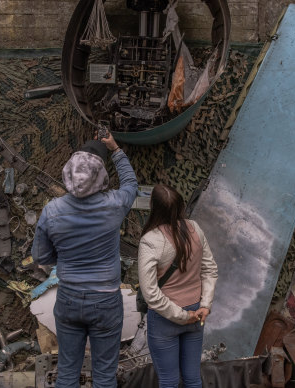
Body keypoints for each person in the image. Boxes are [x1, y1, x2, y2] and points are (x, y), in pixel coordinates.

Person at [31, 133, 138, 388]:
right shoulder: (114, 206)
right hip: (105, 301)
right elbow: (131, 184)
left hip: (68, 299)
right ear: (100, 176)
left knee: (67, 373)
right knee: (104, 376)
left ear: (68, 172)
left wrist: (67, 256)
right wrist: (115, 150)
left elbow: (41, 257)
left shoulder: (52, 210)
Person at [138, 184, 218, 388]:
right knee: (192, 379)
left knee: (169, 381)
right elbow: (210, 270)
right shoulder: (195, 228)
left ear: (152, 206)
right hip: (196, 312)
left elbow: (151, 294)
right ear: (181, 205)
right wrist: (205, 306)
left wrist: (182, 317)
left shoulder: (150, 241)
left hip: (167, 318)